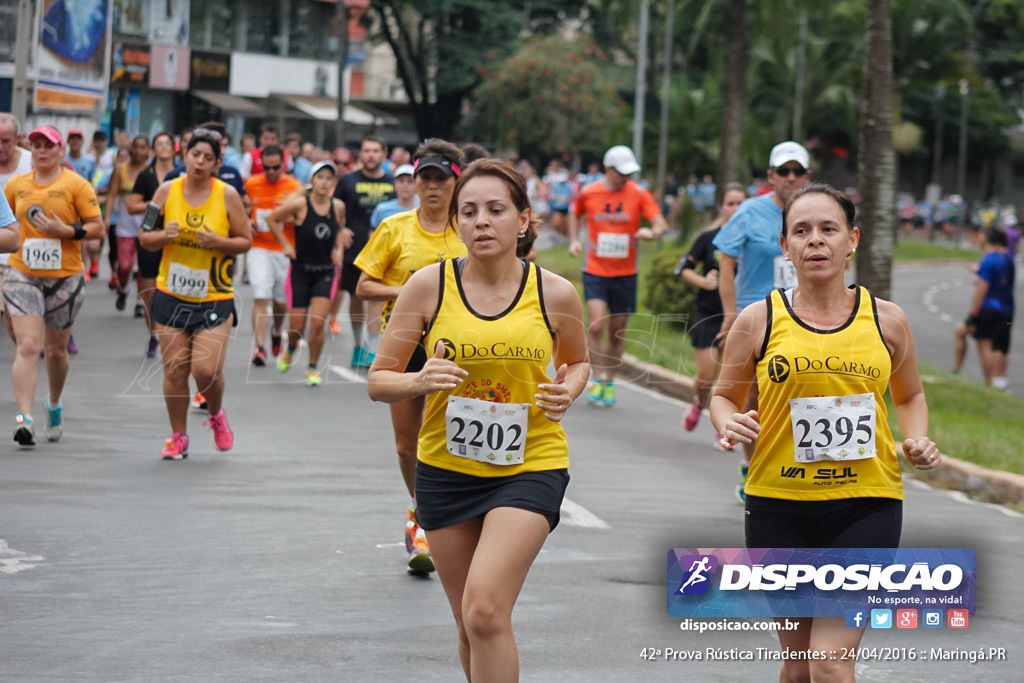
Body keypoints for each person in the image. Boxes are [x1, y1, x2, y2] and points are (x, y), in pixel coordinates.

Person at [366, 158, 589, 680]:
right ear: (456, 223)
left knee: (486, 610)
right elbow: (379, 380)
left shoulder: (554, 293)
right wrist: (419, 381)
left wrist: (568, 390)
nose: (481, 221)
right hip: (446, 470)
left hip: (529, 465)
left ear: (524, 219)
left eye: (495, 209)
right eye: (469, 212)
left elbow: (578, 361)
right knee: (468, 623)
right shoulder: (427, 286)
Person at [710, 183, 940, 682]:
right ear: (786, 246)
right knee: (797, 669)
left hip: (866, 506)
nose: (816, 240)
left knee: (830, 663)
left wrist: (916, 438)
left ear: (852, 239)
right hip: (778, 507)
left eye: (828, 229)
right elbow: (723, 395)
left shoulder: (888, 321)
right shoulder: (759, 320)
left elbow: (910, 395)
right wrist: (728, 421)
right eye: (802, 231)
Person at [355, 139, 468, 574]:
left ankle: (448, 517)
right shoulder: (395, 228)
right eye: (426, 178)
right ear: (414, 182)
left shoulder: (468, 231)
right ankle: (420, 512)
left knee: (453, 437)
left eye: (442, 179)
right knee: (408, 446)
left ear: (456, 183)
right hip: (404, 344)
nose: (433, 187)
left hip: (458, 347)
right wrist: (412, 294)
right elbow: (364, 285)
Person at [138, 128, 252, 459]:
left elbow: (245, 240)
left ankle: (216, 414)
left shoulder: (227, 194)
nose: (199, 162)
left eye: (207, 158)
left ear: (217, 163)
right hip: (171, 292)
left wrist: (220, 243)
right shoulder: (165, 191)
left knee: (204, 370)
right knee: (175, 370)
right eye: (194, 154)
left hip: (214, 295)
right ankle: (179, 436)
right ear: (183, 155)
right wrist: (162, 235)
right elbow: (145, 237)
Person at [712, 140, 812, 503]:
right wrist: (729, 314)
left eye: (796, 172)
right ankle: (751, 465)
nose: (790, 178)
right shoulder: (750, 212)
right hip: (759, 317)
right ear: (771, 176)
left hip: (807, 319)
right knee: (754, 397)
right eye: (783, 172)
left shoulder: (816, 213)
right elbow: (725, 258)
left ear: (807, 176)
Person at [3, 127, 104, 446]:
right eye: (36, 146)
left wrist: (67, 230)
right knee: (28, 346)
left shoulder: (76, 184)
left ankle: (54, 403)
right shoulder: (16, 185)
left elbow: (97, 227)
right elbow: (7, 227)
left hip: (65, 276)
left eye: (49, 146)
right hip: (22, 273)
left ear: (61, 150)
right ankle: (24, 420)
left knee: (56, 351)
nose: (42, 151)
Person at [568, 144, 668, 407]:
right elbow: (574, 212)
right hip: (595, 271)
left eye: (629, 173)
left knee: (617, 332)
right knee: (597, 325)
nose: (626, 178)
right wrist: (573, 240)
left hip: (625, 273)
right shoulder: (590, 192)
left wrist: (652, 233)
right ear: (607, 169)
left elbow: (660, 223)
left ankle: (609, 381)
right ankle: (596, 378)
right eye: (621, 172)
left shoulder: (639, 194)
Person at [265, 160, 346, 386]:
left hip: (325, 272)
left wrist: (338, 250)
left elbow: (339, 229)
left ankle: (312, 367)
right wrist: (285, 244)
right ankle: (290, 348)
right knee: (297, 328)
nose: (324, 182)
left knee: (318, 323)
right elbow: (271, 219)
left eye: (329, 178)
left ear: (333, 182)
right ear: (312, 181)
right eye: (320, 177)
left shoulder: (337, 206)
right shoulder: (300, 204)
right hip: (300, 270)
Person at [677, 183, 746, 438]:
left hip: (741, 315)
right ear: (721, 206)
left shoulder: (751, 239)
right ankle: (699, 401)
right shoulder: (709, 238)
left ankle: (723, 424)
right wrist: (703, 281)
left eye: (741, 203)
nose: (736, 209)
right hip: (708, 313)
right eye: (731, 203)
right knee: (706, 375)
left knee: (731, 377)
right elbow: (683, 269)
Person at [331, 135, 396, 366]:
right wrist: (340, 229)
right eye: (367, 151)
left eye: (376, 151)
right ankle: (358, 345)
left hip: (385, 250)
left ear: (383, 154)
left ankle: (373, 348)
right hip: (355, 249)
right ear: (361, 155)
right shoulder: (348, 180)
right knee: (356, 297)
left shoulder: (393, 181)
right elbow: (334, 209)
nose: (371, 155)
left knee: (377, 298)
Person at [244, 145, 304, 366]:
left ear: (284, 164)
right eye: (266, 167)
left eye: (275, 167)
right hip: (259, 247)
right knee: (261, 296)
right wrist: (245, 223)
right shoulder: (251, 184)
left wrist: (286, 216)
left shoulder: (294, 187)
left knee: (280, 303)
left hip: (284, 250)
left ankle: (277, 331)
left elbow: (301, 219)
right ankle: (259, 347)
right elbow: (243, 207)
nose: (270, 172)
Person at [128, 131, 178, 357]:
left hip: (176, 239)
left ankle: (171, 332)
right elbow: (132, 206)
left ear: (174, 148)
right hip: (152, 234)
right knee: (149, 290)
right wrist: (156, 204)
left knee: (171, 288)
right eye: (160, 144)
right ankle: (153, 334)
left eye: (168, 143)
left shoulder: (182, 174)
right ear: (154, 149)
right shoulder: (146, 175)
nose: (164, 147)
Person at [953, 227, 1015, 389]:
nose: (979, 238)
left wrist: (973, 314)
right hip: (1006, 308)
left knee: (985, 344)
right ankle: (998, 381)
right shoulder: (1008, 257)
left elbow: (982, 289)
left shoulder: (988, 260)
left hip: (987, 307)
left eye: (982, 236)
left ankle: (989, 384)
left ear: (989, 239)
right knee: (1000, 346)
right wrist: (979, 271)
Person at [106, 136, 151, 312]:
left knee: (142, 266)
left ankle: (140, 301)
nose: (139, 151)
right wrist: (107, 218)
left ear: (148, 151)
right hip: (124, 226)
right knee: (124, 265)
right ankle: (123, 287)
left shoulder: (150, 171)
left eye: (142, 147)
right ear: (131, 149)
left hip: (146, 226)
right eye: (136, 147)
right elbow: (111, 195)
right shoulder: (120, 170)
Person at [369, 163, 418, 229]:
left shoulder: (423, 210)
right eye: (401, 181)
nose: (405, 185)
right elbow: (373, 232)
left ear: (417, 185)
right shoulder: (382, 209)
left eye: (410, 181)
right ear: (394, 184)